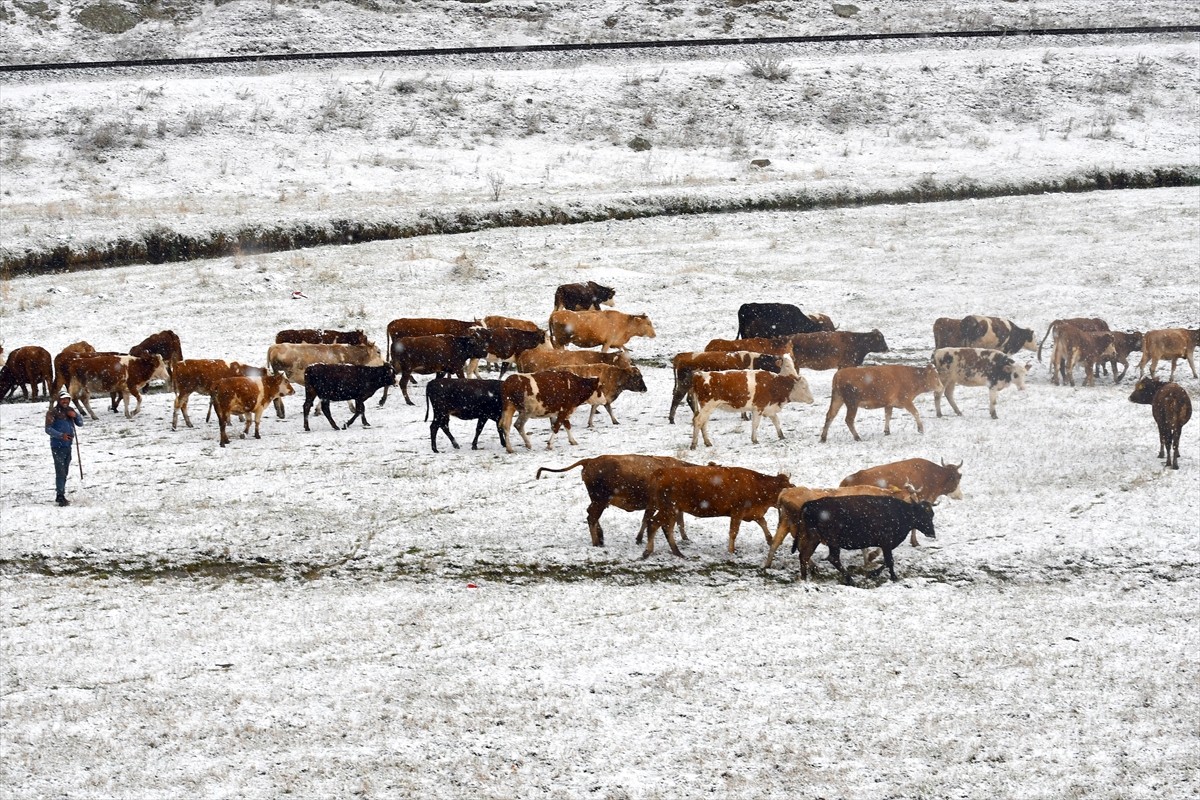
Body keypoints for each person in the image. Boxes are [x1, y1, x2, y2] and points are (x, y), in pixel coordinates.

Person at [45, 387, 83, 506]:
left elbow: (80, 423)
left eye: (67, 399)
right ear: (58, 400)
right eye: (63, 399)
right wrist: (61, 436)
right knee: (60, 471)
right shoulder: (52, 412)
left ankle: (61, 492)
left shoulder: (70, 410)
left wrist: (75, 415)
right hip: (57, 446)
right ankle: (60, 495)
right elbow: (48, 429)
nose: (65, 401)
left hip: (68, 446)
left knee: (64, 470)